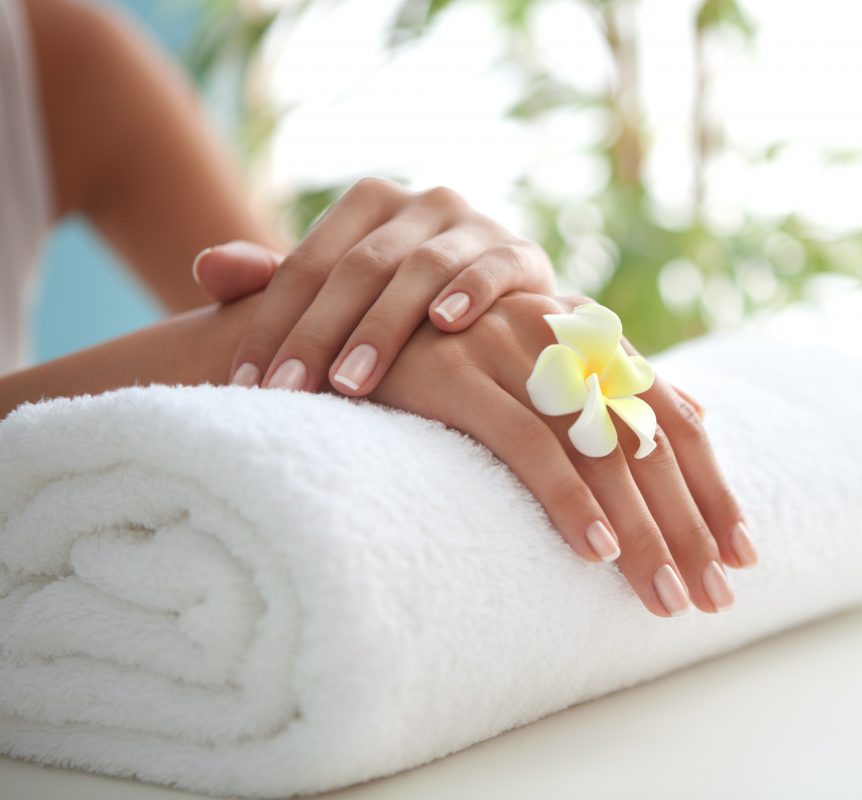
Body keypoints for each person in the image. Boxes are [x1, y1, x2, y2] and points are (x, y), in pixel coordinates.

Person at [0, 0, 757, 616]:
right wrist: (226, 349)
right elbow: (270, 347)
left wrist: (424, 295)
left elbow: (309, 329)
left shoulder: (52, 54)